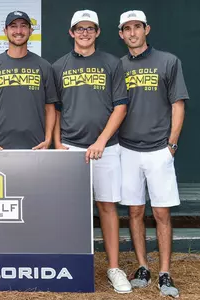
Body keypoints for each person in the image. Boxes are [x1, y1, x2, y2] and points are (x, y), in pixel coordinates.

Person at [52, 10, 131, 294]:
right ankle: (70, 265)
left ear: (97, 32)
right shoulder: (58, 65)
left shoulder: (112, 63)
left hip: (107, 148)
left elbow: (120, 106)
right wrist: (58, 141)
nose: (84, 33)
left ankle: (113, 267)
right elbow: (55, 109)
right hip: (70, 146)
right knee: (71, 209)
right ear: (71, 32)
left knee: (108, 207)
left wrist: (100, 141)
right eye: (79, 28)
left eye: (90, 28)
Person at [118, 10, 188, 298]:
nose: (133, 32)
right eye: (127, 29)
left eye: (137, 27)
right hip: (127, 149)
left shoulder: (169, 61)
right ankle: (144, 266)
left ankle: (164, 273)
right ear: (120, 34)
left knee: (161, 213)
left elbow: (178, 104)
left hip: (159, 148)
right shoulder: (117, 65)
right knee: (135, 211)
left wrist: (171, 144)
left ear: (146, 29)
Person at [0, 10, 57, 150]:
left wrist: (48, 139)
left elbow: (50, 107)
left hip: (36, 146)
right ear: (5, 31)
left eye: (23, 26)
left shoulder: (44, 66)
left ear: (31, 30)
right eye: (13, 26)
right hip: (0, 146)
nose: (19, 31)